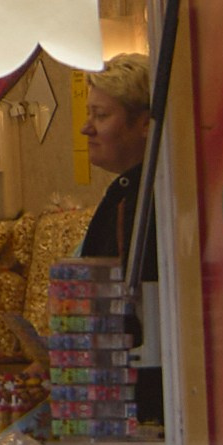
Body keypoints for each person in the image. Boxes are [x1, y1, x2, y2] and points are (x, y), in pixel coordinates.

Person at [81, 55, 156, 280]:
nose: (86, 128)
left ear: (145, 123)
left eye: (101, 115)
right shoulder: (124, 195)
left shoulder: (155, 204)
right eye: (89, 113)